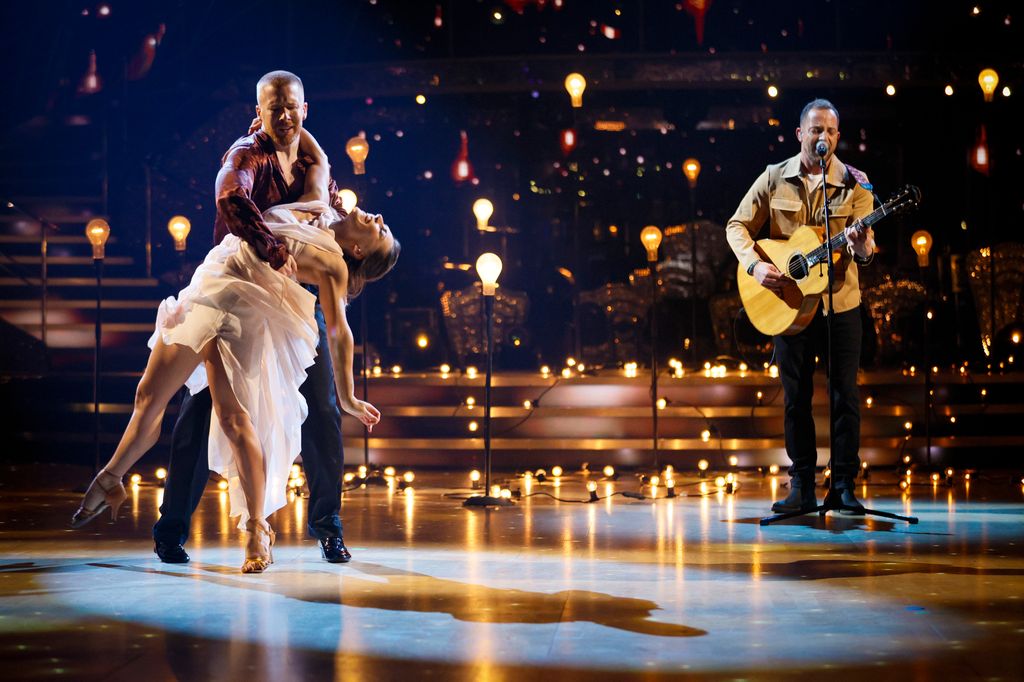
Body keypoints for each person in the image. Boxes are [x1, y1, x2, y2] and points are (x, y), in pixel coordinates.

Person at [72, 70, 399, 570]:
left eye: (294, 108)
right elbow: (231, 197)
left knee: (314, 413)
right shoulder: (247, 154)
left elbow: (340, 325)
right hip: (228, 284)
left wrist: (352, 394)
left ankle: (307, 528)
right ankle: (160, 518)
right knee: (186, 412)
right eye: (276, 108)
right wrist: (270, 247)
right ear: (261, 112)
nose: (286, 117)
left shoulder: (324, 195)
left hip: (285, 309)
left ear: (305, 110)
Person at [725, 98, 875, 514]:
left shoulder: (856, 184)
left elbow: (866, 252)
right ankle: (802, 486)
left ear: (837, 137)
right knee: (796, 398)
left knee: (845, 395)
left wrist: (862, 248)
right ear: (800, 134)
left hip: (840, 306)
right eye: (815, 130)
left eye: (829, 130)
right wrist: (755, 266)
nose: (822, 137)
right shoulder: (775, 178)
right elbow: (737, 225)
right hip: (788, 306)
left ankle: (843, 485)